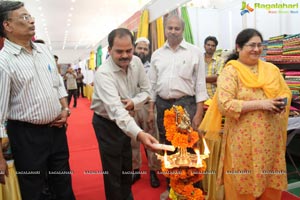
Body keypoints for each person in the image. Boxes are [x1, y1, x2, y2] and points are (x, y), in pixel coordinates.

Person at [199, 28, 292, 200]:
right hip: (242, 141)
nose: (256, 49)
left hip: (269, 139)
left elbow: (285, 92)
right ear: (238, 48)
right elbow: (224, 104)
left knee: (268, 179)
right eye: (251, 45)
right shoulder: (231, 71)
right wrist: (261, 104)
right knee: (242, 180)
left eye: (259, 45)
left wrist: (281, 102)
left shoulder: (271, 69)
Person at [0, 1, 75, 200]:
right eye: (24, 17)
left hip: (57, 131)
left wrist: (66, 109)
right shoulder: (4, 61)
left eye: (30, 16)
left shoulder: (44, 51)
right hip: (27, 137)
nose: (32, 20)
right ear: (8, 26)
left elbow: (58, 84)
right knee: (34, 189)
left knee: (63, 183)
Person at [91, 28, 159, 200]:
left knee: (127, 163)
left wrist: (134, 102)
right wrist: (141, 134)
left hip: (127, 118)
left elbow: (146, 90)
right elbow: (116, 111)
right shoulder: (103, 74)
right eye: (119, 51)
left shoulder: (136, 62)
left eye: (129, 50)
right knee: (113, 169)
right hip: (107, 123)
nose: (125, 56)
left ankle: (127, 196)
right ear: (109, 50)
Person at [148, 15, 208, 200]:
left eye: (177, 28)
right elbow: (152, 84)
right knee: (168, 147)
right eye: (170, 28)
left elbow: (200, 84)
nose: (173, 31)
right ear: (165, 29)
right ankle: (172, 189)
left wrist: (198, 112)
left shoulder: (195, 52)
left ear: (182, 30)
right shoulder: (157, 54)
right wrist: (151, 109)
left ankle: (191, 190)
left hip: (186, 104)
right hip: (163, 104)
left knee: (187, 148)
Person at [131, 37, 160, 188]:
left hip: (148, 107)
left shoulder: (153, 66)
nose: (142, 51)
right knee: (133, 141)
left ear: (149, 51)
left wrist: (150, 111)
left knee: (152, 141)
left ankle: (153, 172)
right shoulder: (128, 65)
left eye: (145, 49)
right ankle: (135, 171)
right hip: (131, 108)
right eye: (139, 48)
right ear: (134, 48)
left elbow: (154, 89)